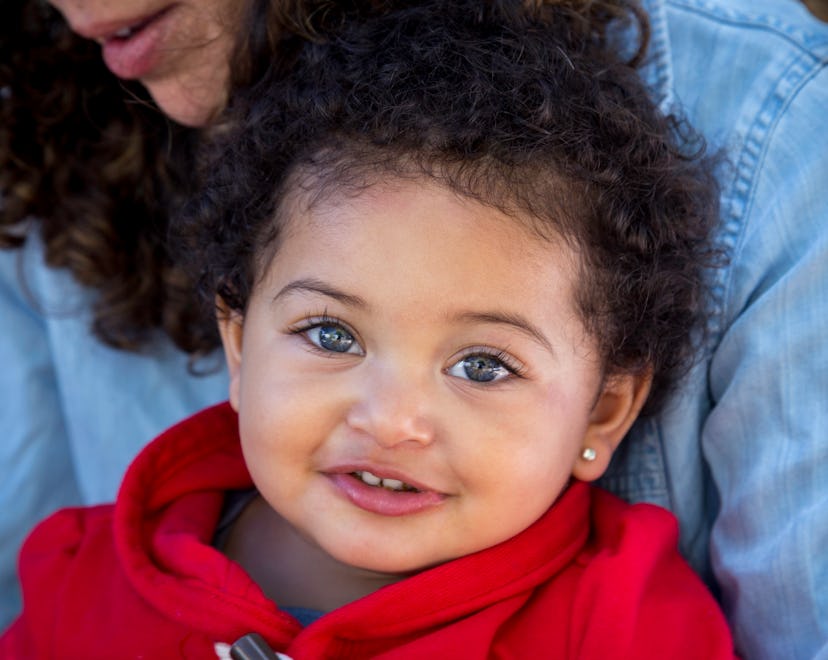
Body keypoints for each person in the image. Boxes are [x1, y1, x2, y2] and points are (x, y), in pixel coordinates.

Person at [0, 0, 825, 657]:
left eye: (483, 365)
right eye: (330, 335)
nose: (390, 419)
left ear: (605, 413)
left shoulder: (623, 626)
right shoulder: (81, 580)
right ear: (240, 343)